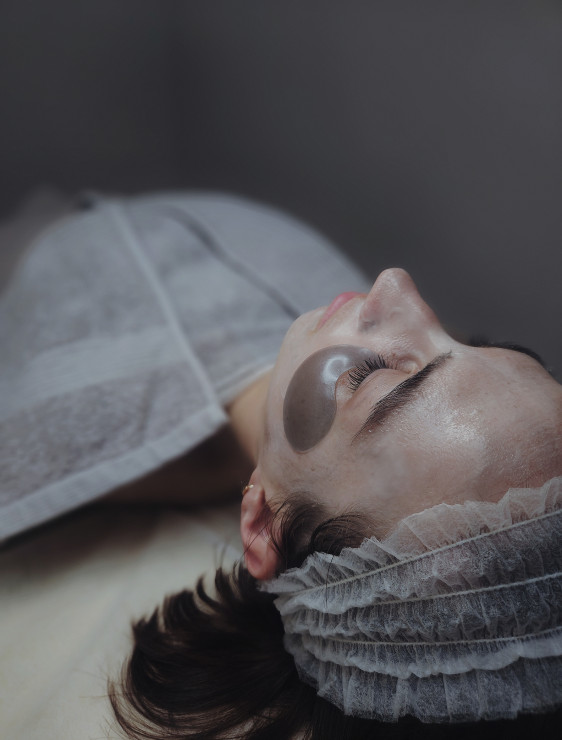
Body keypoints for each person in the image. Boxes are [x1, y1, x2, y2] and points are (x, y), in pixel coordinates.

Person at [1, 192, 560, 738]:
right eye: (477, 344)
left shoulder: (46, 441)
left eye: (373, 377)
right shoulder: (327, 320)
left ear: (263, 524)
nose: (396, 286)